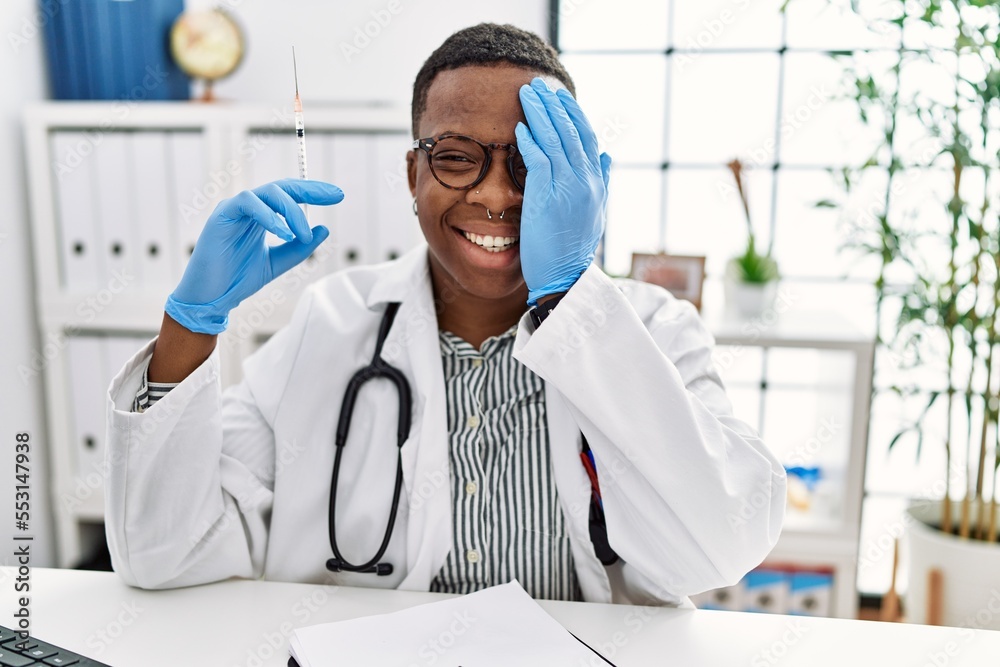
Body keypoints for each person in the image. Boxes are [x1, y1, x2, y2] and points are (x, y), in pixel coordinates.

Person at [105, 23, 785, 606]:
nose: (495, 195)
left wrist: (572, 299)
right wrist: (190, 324)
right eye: (456, 158)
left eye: (531, 165)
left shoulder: (655, 330)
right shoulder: (332, 323)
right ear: (413, 176)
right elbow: (165, 554)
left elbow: (722, 545)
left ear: (585, 184)